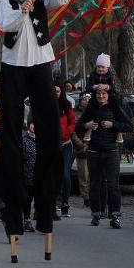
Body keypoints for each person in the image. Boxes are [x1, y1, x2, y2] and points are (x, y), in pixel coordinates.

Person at [0, 0, 67, 254]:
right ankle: (14, 211)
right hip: (14, 65)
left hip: (39, 63)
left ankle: (45, 208)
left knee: (49, 129)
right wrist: (20, 12)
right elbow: (3, 24)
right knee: (11, 130)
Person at [76, 88, 133, 228]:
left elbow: (129, 126)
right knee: (94, 184)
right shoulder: (91, 108)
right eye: (98, 94)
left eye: (104, 94)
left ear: (108, 95)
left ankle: (115, 215)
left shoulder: (115, 108)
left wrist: (113, 125)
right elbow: (77, 127)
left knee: (113, 184)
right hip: (94, 151)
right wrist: (87, 125)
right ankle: (95, 214)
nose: (101, 96)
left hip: (111, 151)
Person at [55, 83, 76, 218]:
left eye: (57, 91)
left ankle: (65, 203)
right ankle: (53, 201)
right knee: (53, 175)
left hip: (66, 144)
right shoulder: (46, 104)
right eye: (53, 91)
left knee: (66, 175)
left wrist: (66, 132)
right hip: (52, 145)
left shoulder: (67, 105)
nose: (55, 93)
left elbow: (73, 123)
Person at [22, 120, 38, 232]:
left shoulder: (43, 139)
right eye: (33, 124)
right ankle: (26, 219)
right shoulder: (24, 140)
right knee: (28, 199)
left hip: (40, 174)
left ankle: (42, 221)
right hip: (27, 174)